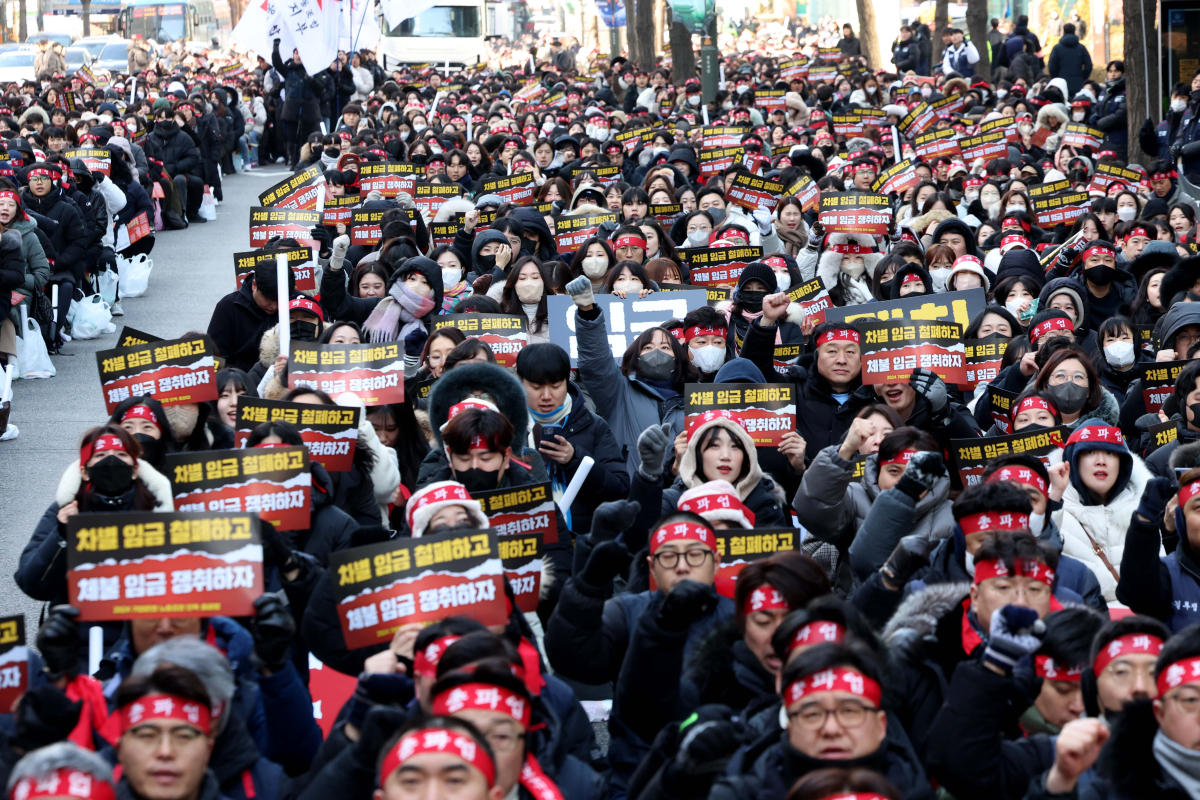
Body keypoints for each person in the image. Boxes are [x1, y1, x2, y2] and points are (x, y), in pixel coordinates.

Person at [1048, 24, 1093, 99]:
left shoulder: (1057, 48)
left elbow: (1052, 67)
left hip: (1061, 85)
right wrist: (1083, 78)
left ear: (1063, 32)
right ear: (1074, 32)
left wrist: (1056, 79)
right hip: (1078, 83)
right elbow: (1089, 65)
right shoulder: (1081, 48)